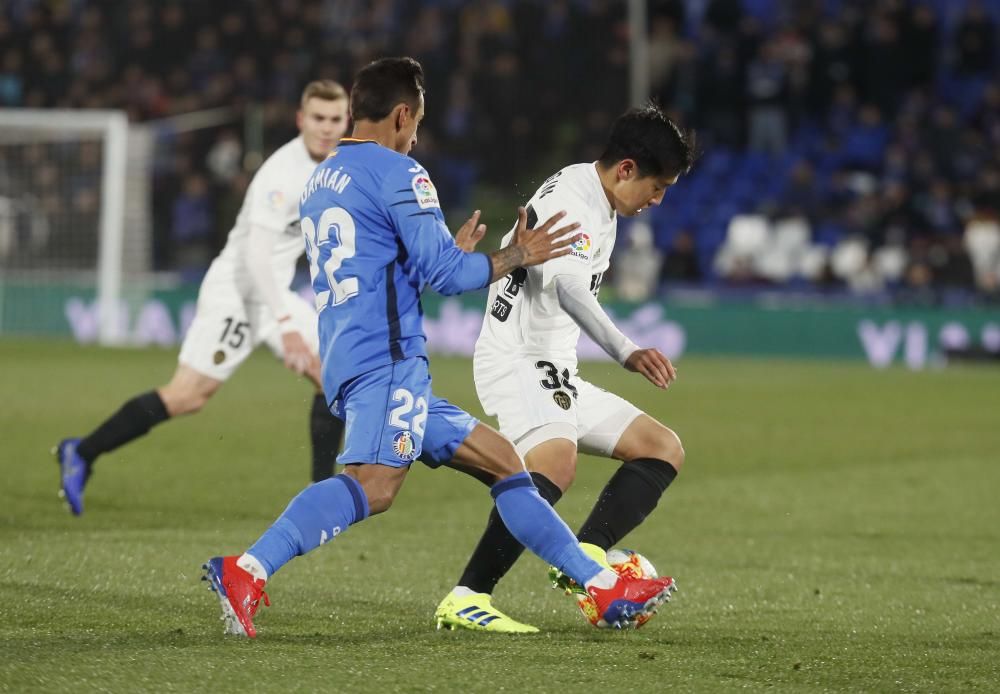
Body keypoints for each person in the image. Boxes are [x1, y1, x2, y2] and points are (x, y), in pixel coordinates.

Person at [201, 57, 676, 638]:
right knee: (372, 486)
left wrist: (439, 253)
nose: (417, 135)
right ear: (402, 115)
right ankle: (247, 568)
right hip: (388, 360)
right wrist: (514, 256)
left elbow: (383, 262)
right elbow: (449, 276)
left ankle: (599, 587)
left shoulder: (324, 175)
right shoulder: (403, 174)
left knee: (507, 464)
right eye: (417, 122)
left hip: (351, 349)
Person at [435, 104, 694, 633]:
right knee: (555, 465)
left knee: (661, 448)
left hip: (554, 365)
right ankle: (468, 595)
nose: (657, 200)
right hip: (518, 358)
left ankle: (588, 559)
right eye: (657, 186)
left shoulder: (595, 196)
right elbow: (570, 288)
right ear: (626, 169)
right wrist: (627, 350)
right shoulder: (575, 205)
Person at [55, 81, 351, 514]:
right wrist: (287, 327)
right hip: (238, 289)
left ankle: (320, 499)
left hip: (275, 293)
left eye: (335, 119)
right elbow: (255, 255)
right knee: (187, 396)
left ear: (346, 122)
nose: (326, 128)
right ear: (300, 120)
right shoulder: (281, 176)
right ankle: (81, 452)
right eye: (318, 119)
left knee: (335, 379)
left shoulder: (338, 163)